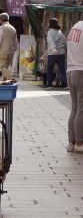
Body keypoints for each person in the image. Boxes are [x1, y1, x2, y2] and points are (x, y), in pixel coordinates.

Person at [66, 19, 83, 153]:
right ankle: (79, 143)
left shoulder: (75, 26)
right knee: (81, 109)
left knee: (75, 107)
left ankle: (71, 142)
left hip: (70, 70)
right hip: (81, 71)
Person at [0, 13, 18, 81]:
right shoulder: (13, 28)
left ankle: (11, 78)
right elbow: (16, 41)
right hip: (11, 51)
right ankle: (3, 81)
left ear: (1, 20)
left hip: (3, 51)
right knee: (6, 67)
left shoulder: (2, 27)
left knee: (2, 67)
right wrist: (14, 49)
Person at [45, 18, 67, 89]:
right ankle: (67, 84)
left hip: (53, 54)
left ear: (51, 24)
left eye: (49, 23)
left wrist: (54, 50)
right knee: (62, 69)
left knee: (50, 69)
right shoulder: (60, 32)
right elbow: (64, 42)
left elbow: (51, 41)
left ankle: (49, 85)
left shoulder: (50, 32)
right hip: (61, 54)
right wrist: (66, 49)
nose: (48, 24)